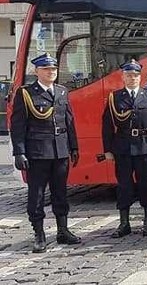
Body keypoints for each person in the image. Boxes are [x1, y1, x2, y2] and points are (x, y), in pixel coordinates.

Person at [11, 53, 81, 252]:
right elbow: (18, 126)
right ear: (37, 71)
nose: (51, 72)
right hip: (37, 152)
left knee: (61, 192)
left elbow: (69, 121)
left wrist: (74, 147)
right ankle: (39, 234)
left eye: (54, 69)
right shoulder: (26, 94)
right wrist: (19, 152)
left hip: (60, 151)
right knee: (37, 194)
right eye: (47, 69)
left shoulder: (61, 92)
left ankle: (63, 231)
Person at [102, 59, 147, 237]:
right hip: (123, 148)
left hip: (145, 146)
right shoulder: (115, 97)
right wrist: (108, 149)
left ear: (140, 77)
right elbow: (107, 125)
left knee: (146, 185)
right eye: (129, 75)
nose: (132, 78)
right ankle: (124, 223)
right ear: (123, 77)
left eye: (135, 75)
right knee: (124, 186)